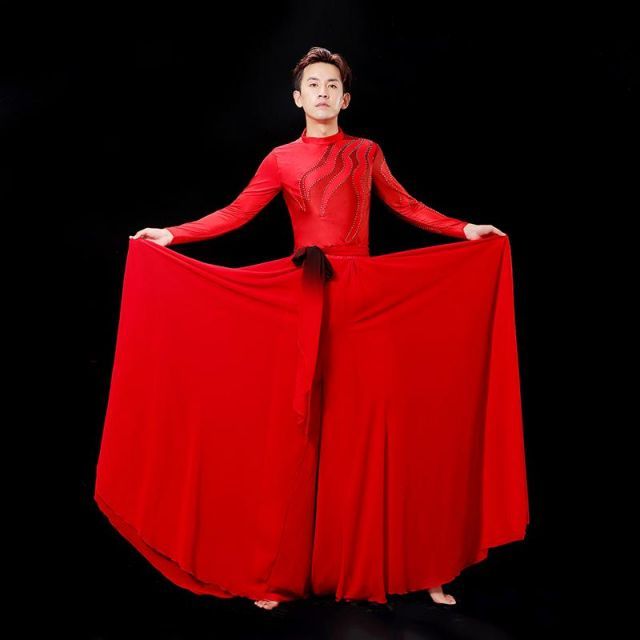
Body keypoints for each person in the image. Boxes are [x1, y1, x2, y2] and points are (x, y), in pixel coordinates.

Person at [130, 47, 508, 610]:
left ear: (345, 98)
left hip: (365, 300)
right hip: (306, 294)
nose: (323, 92)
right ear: (298, 98)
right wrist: (172, 235)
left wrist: (464, 228)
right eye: (314, 84)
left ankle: (414, 566)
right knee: (299, 432)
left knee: (375, 425)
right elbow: (235, 213)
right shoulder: (281, 159)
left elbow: (406, 205)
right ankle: (279, 574)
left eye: (332, 85)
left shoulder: (365, 151)